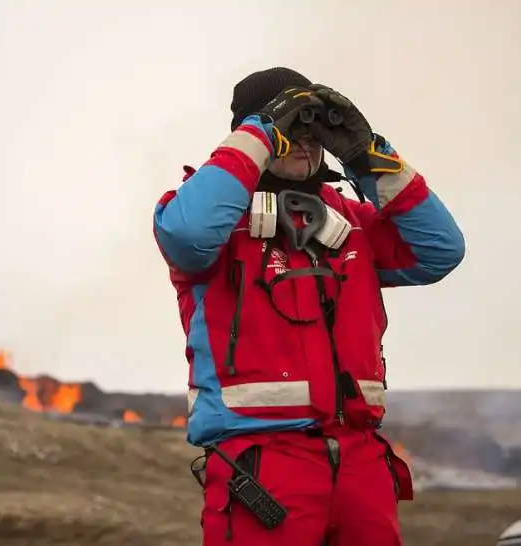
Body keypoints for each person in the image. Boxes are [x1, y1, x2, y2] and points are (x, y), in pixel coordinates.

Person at [152, 67, 465, 546]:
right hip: (262, 468)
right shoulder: (212, 224)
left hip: (362, 467)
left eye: (314, 128)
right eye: (291, 128)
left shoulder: (354, 224)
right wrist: (262, 131)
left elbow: (440, 249)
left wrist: (367, 155)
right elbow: (187, 236)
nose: (303, 140)